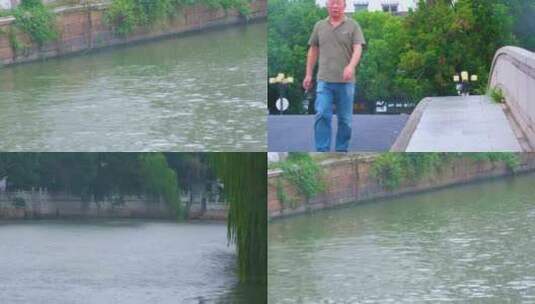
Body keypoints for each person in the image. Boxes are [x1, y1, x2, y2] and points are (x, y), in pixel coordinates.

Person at [303, 0, 365, 152]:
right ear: (327, 5)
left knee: (345, 120)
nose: (335, 6)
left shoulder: (353, 25)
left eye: (338, 3)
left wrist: (350, 66)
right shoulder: (319, 26)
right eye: (332, 3)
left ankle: (341, 150)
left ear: (344, 5)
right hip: (324, 80)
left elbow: (358, 49)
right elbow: (313, 51)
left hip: (346, 82)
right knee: (322, 114)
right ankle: (322, 151)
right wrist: (308, 74)